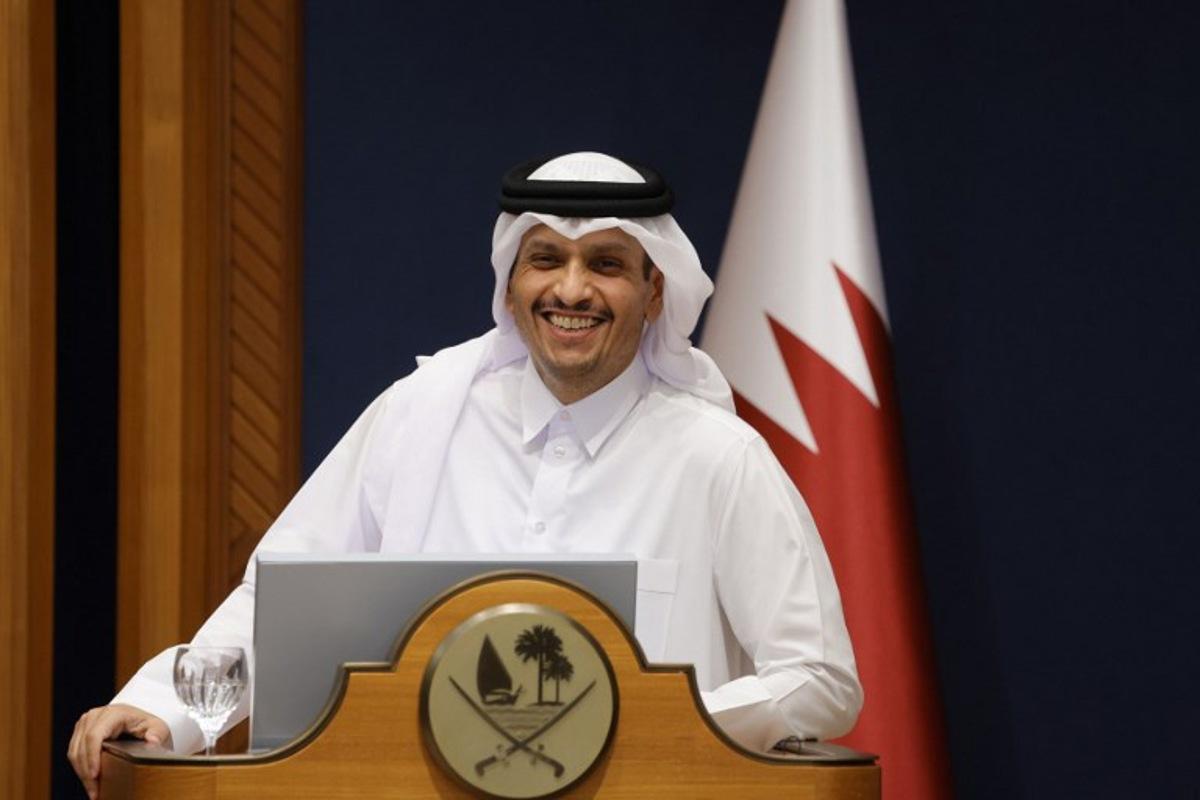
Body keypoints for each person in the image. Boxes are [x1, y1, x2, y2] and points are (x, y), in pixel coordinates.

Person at [69, 152, 862, 797]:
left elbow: (820, 677)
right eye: (544, 258)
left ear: (655, 291)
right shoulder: (423, 412)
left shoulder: (717, 457)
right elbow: (278, 598)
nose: (571, 289)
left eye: (608, 264)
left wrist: (652, 719)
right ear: (511, 286)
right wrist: (166, 706)